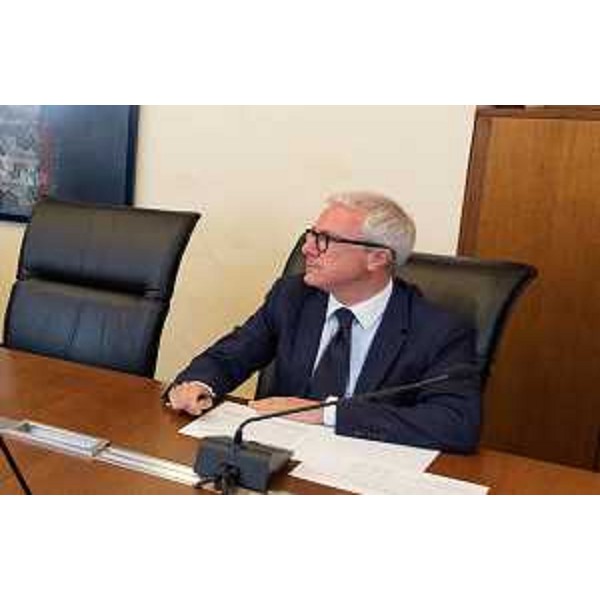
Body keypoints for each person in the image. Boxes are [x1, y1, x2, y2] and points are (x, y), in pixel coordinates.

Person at [166, 192, 481, 453]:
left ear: (377, 258)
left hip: (363, 469)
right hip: (277, 457)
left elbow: (456, 423)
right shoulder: (293, 297)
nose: (307, 249)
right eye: (311, 235)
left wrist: (327, 413)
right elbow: (232, 354)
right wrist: (199, 385)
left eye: (324, 240)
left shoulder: (439, 331)